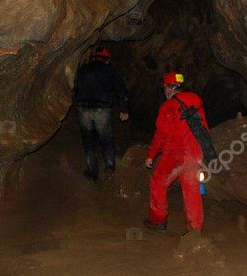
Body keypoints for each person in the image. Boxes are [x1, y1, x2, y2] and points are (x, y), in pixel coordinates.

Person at [144, 72, 208, 233]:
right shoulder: (197, 103)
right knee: (192, 189)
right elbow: (205, 129)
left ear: (168, 88)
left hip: (176, 153)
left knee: (158, 181)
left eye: (165, 88)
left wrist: (151, 155)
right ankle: (195, 230)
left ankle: (158, 221)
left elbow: (161, 135)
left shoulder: (168, 106)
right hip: (195, 153)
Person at [73, 47, 130, 181]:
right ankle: (109, 168)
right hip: (102, 110)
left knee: (89, 141)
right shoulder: (110, 71)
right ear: (107, 60)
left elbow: (75, 89)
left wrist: (79, 105)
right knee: (106, 139)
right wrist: (124, 110)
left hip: (83, 110)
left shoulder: (83, 70)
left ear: (95, 57)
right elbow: (122, 92)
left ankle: (92, 173)